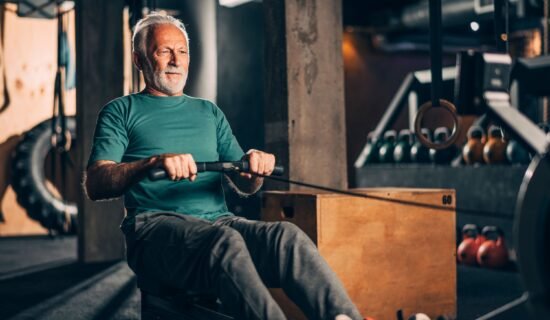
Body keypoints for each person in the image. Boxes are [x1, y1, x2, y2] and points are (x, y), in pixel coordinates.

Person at [84, 11, 362, 320]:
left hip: (219, 222)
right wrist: (150, 164)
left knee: (288, 236)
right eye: (164, 51)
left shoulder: (208, 112)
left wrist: (254, 167)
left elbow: (246, 184)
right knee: (225, 242)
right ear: (139, 60)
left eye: (183, 51)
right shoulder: (121, 111)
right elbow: (96, 183)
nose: (176, 60)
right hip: (153, 230)